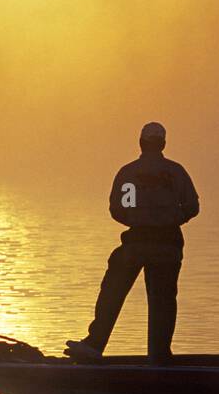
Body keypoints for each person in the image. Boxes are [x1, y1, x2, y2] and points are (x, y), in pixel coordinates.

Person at [66, 122, 200, 365]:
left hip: (136, 243)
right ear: (163, 144)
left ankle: (95, 344)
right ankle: (159, 355)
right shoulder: (176, 172)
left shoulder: (129, 173)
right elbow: (192, 206)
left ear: (141, 143)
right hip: (168, 245)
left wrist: (139, 219)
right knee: (163, 301)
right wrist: (171, 218)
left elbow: (118, 209)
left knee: (113, 290)